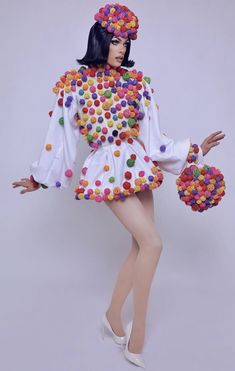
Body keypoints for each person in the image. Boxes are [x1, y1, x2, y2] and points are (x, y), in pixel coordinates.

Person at [12, 3, 225, 368]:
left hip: (139, 165)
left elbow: (154, 140)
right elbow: (60, 136)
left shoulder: (137, 83)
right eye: (115, 41)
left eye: (126, 42)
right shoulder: (75, 84)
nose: (121, 49)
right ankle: (136, 335)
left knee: (139, 247)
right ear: (100, 40)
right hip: (106, 169)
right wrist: (39, 177)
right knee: (154, 243)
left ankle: (112, 318)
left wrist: (194, 150)